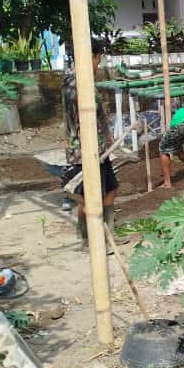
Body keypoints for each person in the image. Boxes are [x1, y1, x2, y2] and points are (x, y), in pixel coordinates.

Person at [61, 38, 119, 242]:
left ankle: (108, 234)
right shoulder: (78, 84)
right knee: (88, 198)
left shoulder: (77, 80)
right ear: (92, 57)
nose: (98, 65)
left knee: (111, 188)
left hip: (99, 149)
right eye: (98, 59)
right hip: (86, 150)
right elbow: (84, 120)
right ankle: (89, 238)